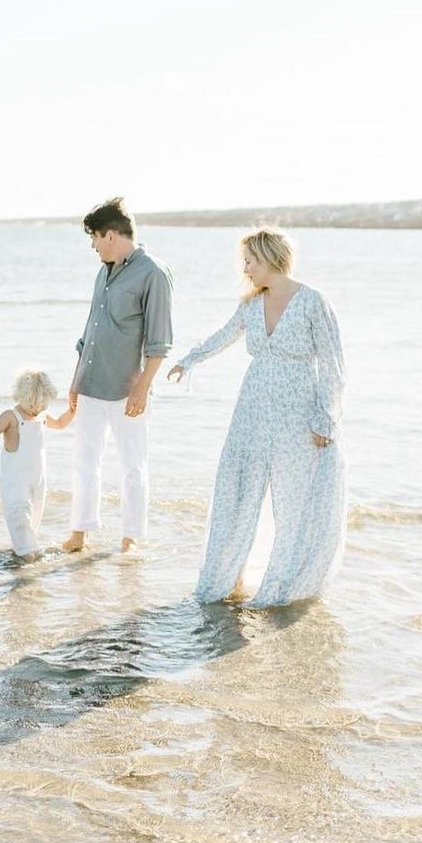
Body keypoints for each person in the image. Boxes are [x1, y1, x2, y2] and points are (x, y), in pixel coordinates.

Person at [168, 228, 346, 607]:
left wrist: (325, 418)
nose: (246, 269)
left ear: (268, 259)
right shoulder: (251, 304)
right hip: (251, 411)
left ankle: (286, 585)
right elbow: (224, 335)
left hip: (298, 415)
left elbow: (333, 364)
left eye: (249, 261)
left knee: (294, 500)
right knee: (237, 488)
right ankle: (228, 578)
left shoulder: (313, 301)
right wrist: (189, 359)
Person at [63, 197, 173, 554]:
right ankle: (80, 533)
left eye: (94, 238)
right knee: (84, 463)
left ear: (110, 235)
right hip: (91, 385)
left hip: (128, 390)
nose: (92, 246)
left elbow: (159, 342)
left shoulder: (153, 273)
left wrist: (142, 389)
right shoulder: (103, 272)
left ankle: (131, 538)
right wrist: (76, 382)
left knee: (133, 467)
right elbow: (89, 333)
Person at [0, 371, 75, 561]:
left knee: (36, 511)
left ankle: (25, 546)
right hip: (15, 477)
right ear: (22, 396)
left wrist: (72, 411)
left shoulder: (42, 415)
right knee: (19, 512)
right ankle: (26, 552)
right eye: (33, 404)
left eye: (41, 405)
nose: (36, 409)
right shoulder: (11, 416)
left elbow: (60, 424)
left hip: (38, 476)